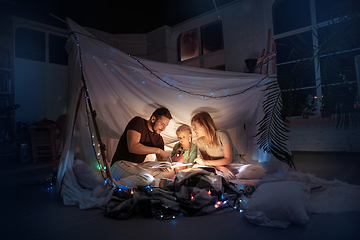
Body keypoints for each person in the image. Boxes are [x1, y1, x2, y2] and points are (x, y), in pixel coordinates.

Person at [111, 107, 174, 187]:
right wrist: (158, 151)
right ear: (153, 119)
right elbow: (133, 147)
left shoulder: (158, 139)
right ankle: (112, 186)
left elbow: (161, 161)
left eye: (166, 126)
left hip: (138, 167)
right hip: (121, 164)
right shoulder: (138, 122)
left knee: (171, 173)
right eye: (162, 124)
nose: (164, 129)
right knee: (148, 179)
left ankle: (143, 186)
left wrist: (166, 164)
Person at [191, 111, 265, 180]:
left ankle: (235, 176)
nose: (194, 130)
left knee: (259, 170)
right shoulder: (200, 141)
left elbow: (227, 160)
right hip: (217, 167)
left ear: (205, 125)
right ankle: (225, 176)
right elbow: (207, 160)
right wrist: (222, 168)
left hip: (234, 165)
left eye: (195, 127)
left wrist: (205, 162)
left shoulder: (222, 134)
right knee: (196, 167)